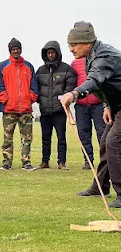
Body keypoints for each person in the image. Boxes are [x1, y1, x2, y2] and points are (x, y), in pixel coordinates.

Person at [61, 21, 121, 208]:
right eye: (70, 44)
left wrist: (74, 94)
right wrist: (107, 105)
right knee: (105, 142)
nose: (71, 48)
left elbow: (95, 80)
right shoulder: (91, 55)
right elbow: (108, 84)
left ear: (88, 43)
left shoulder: (104, 56)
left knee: (113, 142)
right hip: (116, 104)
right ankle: (100, 187)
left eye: (74, 44)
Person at [0, 38, 38, 170]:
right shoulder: (3, 66)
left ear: (21, 49)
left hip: (25, 109)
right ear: (10, 50)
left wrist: (30, 98)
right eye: (13, 49)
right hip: (9, 110)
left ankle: (26, 162)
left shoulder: (28, 66)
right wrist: (6, 100)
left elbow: (34, 86)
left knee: (27, 139)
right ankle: (7, 162)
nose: (16, 51)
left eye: (18, 49)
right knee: (7, 138)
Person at [36, 41, 77, 170]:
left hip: (60, 110)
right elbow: (35, 88)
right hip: (45, 110)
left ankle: (61, 162)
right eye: (48, 53)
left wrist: (65, 100)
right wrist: (40, 100)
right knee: (45, 137)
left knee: (61, 137)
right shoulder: (40, 70)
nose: (50, 55)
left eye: (52, 52)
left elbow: (70, 87)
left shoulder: (67, 69)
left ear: (57, 53)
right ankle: (45, 161)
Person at [71, 58, 106, 170]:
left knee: (102, 133)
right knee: (83, 134)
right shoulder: (74, 64)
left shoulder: (98, 60)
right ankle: (88, 160)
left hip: (98, 103)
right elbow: (71, 82)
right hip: (81, 105)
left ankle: (105, 160)